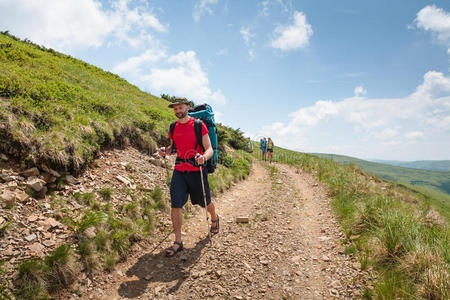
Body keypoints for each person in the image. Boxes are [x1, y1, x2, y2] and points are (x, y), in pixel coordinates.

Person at [158, 97, 219, 257]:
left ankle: (214, 218)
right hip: (179, 169)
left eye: (180, 107)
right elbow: (174, 148)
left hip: (197, 169)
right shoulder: (173, 127)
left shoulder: (199, 125)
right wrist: (166, 151)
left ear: (187, 107)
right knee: (175, 204)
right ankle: (178, 242)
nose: (178, 111)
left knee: (205, 202)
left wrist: (204, 158)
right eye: (175, 108)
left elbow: (209, 149)